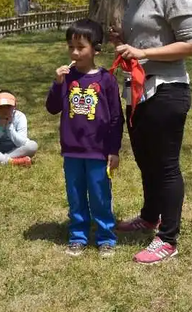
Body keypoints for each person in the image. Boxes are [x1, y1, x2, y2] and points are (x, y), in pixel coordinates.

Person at [111, 0, 192, 264]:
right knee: (146, 160)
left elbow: (190, 44)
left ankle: (168, 238)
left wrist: (144, 53)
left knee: (165, 166)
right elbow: (143, 37)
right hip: (137, 90)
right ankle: (149, 217)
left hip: (167, 90)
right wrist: (123, 36)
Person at [46, 19, 124, 258]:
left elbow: (116, 118)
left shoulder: (106, 80)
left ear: (96, 50)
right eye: (71, 47)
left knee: (100, 195)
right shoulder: (67, 79)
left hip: (98, 151)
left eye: (80, 47)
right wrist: (57, 83)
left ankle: (106, 237)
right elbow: (52, 108)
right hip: (72, 150)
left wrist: (113, 150)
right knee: (76, 195)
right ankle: (78, 235)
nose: (74, 52)